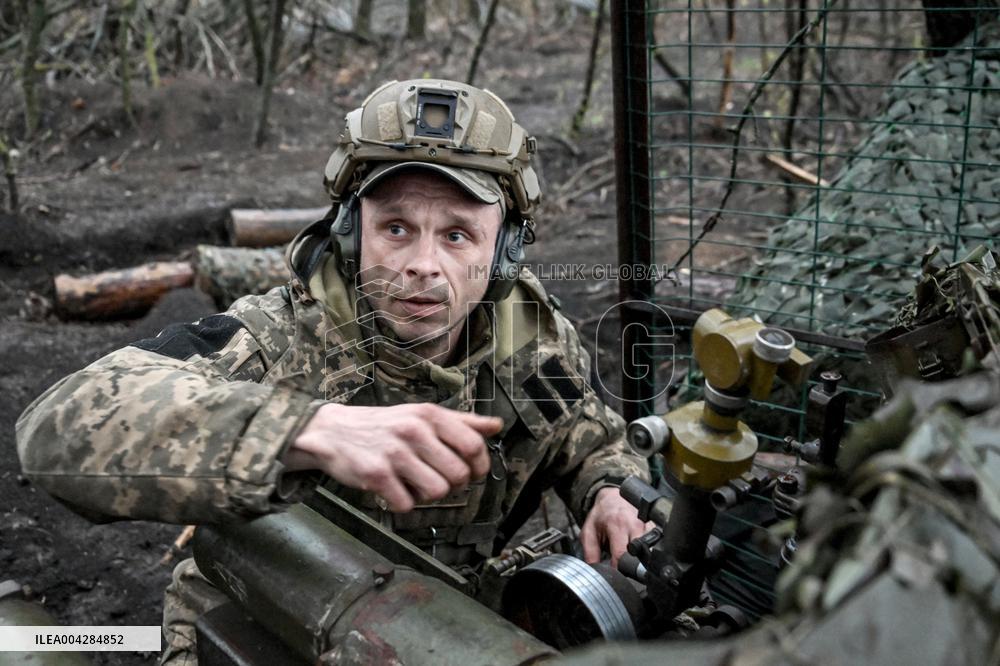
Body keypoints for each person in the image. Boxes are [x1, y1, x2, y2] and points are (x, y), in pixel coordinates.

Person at [15, 78, 650, 663]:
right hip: (259, 620)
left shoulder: (530, 340)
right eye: (396, 227)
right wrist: (301, 430)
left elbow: (589, 438)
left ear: (504, 250)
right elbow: (55, 428)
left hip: (442, 625)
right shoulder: (280, 337)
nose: (423, 264)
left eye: (458, 235)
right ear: (351, 235)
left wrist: (611, 489)